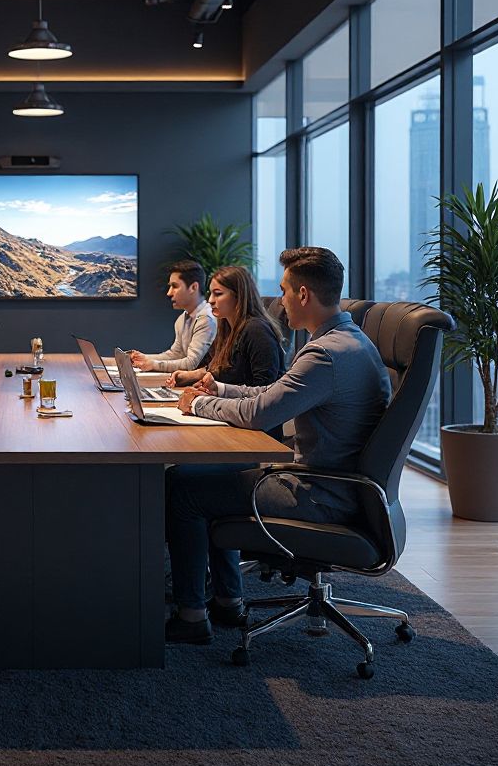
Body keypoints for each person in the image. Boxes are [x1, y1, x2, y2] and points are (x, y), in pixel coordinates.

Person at [165, 246, 392, 645]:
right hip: (341, 485)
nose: (280, 300)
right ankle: (226, 600)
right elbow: (273, 393)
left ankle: (192, 617)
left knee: (182, 487)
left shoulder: (324, 355)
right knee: (205, 478)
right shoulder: (348, 341)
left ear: (303, 294)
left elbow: (260, 414)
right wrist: (222, 390)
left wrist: (198, 404)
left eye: (285, 290)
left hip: (319, 493)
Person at [166, 265, 286, 394]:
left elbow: (265, 390)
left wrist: (219, 392)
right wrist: (191, 376)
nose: (210, 300)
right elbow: (212, 367)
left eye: (218, 294)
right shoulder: (226, 328)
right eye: (210, 294)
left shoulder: (256, 330)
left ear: (239, 295)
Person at [126, 260, 216, 373]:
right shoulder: (182, 319)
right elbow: (175, 354)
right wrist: (144, 358)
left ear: (193, 287)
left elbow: (192, 364)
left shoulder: (206, 319)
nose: (169, 293)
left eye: (175, 286)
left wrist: (153, 364)